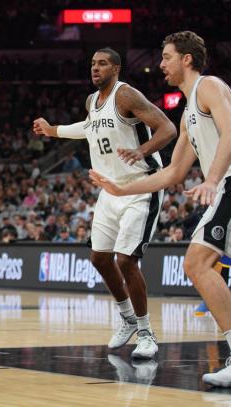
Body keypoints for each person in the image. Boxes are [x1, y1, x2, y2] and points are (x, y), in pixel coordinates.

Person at [89, 31, 231, 387]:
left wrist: (212, 179)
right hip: (223, 185)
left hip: (228, 183)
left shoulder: (210, 86)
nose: (161, 64)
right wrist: (123, 187)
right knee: (199, 264)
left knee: (196, 263)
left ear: (186, 59)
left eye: (167, 57)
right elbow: (172, 172)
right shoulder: (187, 115)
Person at [33, 47, 176, 359]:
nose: (95, 69)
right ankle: (126, 316)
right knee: (100, 258)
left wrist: (143, 150)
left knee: (126, 261)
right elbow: (88, 129)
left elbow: (168, 127)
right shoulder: (91, 102)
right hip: (110, 190)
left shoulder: (126, 96)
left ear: (116, 68)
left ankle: (146, 332)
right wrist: (53, 130)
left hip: (142, 186)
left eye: (102, 64)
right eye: (92, 64)